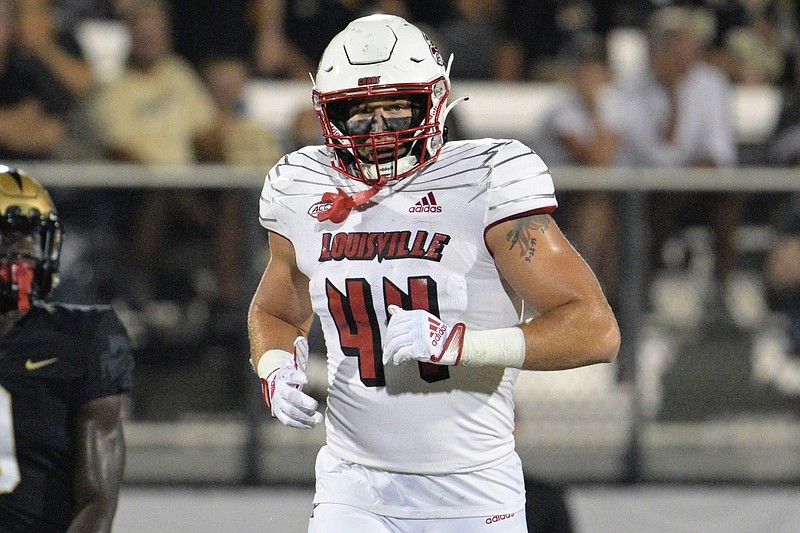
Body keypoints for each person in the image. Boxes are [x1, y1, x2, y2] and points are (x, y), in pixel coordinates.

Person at [248, 14, 620, 531]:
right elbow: (275, 310)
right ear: (327, 113)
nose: (377, 130)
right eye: (357, 113)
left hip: (473, 489)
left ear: (436, 101)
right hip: (352, 485)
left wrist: (462, 345)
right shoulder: (303, 187)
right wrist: (273, 366)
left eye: (397, 107)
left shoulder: (485, 181)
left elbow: (596, 331)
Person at [0, 165, 134, 532]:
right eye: (7, 236)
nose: (24, 250)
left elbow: (96, 503)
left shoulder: (86, 336)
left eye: (31, 236)